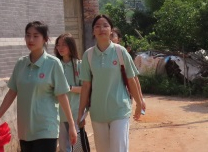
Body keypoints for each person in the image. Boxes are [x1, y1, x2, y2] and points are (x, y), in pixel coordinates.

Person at [0, 21, 77, 152]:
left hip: (46, 130)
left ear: (45, 39)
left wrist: (71, 125)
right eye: (28, 35)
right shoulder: (20, 64)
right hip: (25, 131)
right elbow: (11, 93)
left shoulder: (53, 64)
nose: (31, 39)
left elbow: (62, 95)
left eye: (35, 36)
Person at [78, 15, 143, 152]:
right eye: (97, 26)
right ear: (93, 31)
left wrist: (139, 103)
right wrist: (80, 113)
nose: (101, 29)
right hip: (97, 112)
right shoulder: (88, 55)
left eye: (105, 25)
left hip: (119, 110)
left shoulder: (120, 51)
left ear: (111, 30)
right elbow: (86, 86)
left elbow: (131, 80)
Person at [54, 33, 82, 152]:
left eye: (64, 45)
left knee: (76, 146)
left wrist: (68, 88)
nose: (60, 48)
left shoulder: (79, 65)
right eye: (58, 45)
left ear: (71, 46)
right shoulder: (55, 65)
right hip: (58, 113)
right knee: (64, 147)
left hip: (75, 111)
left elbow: (86, 89)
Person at [110, 28, 146, 114]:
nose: (109, 38)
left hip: (122, 98)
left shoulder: (123, 53)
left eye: (112, 36)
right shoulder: (96, 55)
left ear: (119, 39)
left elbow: (134, 77)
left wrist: (140, 99)